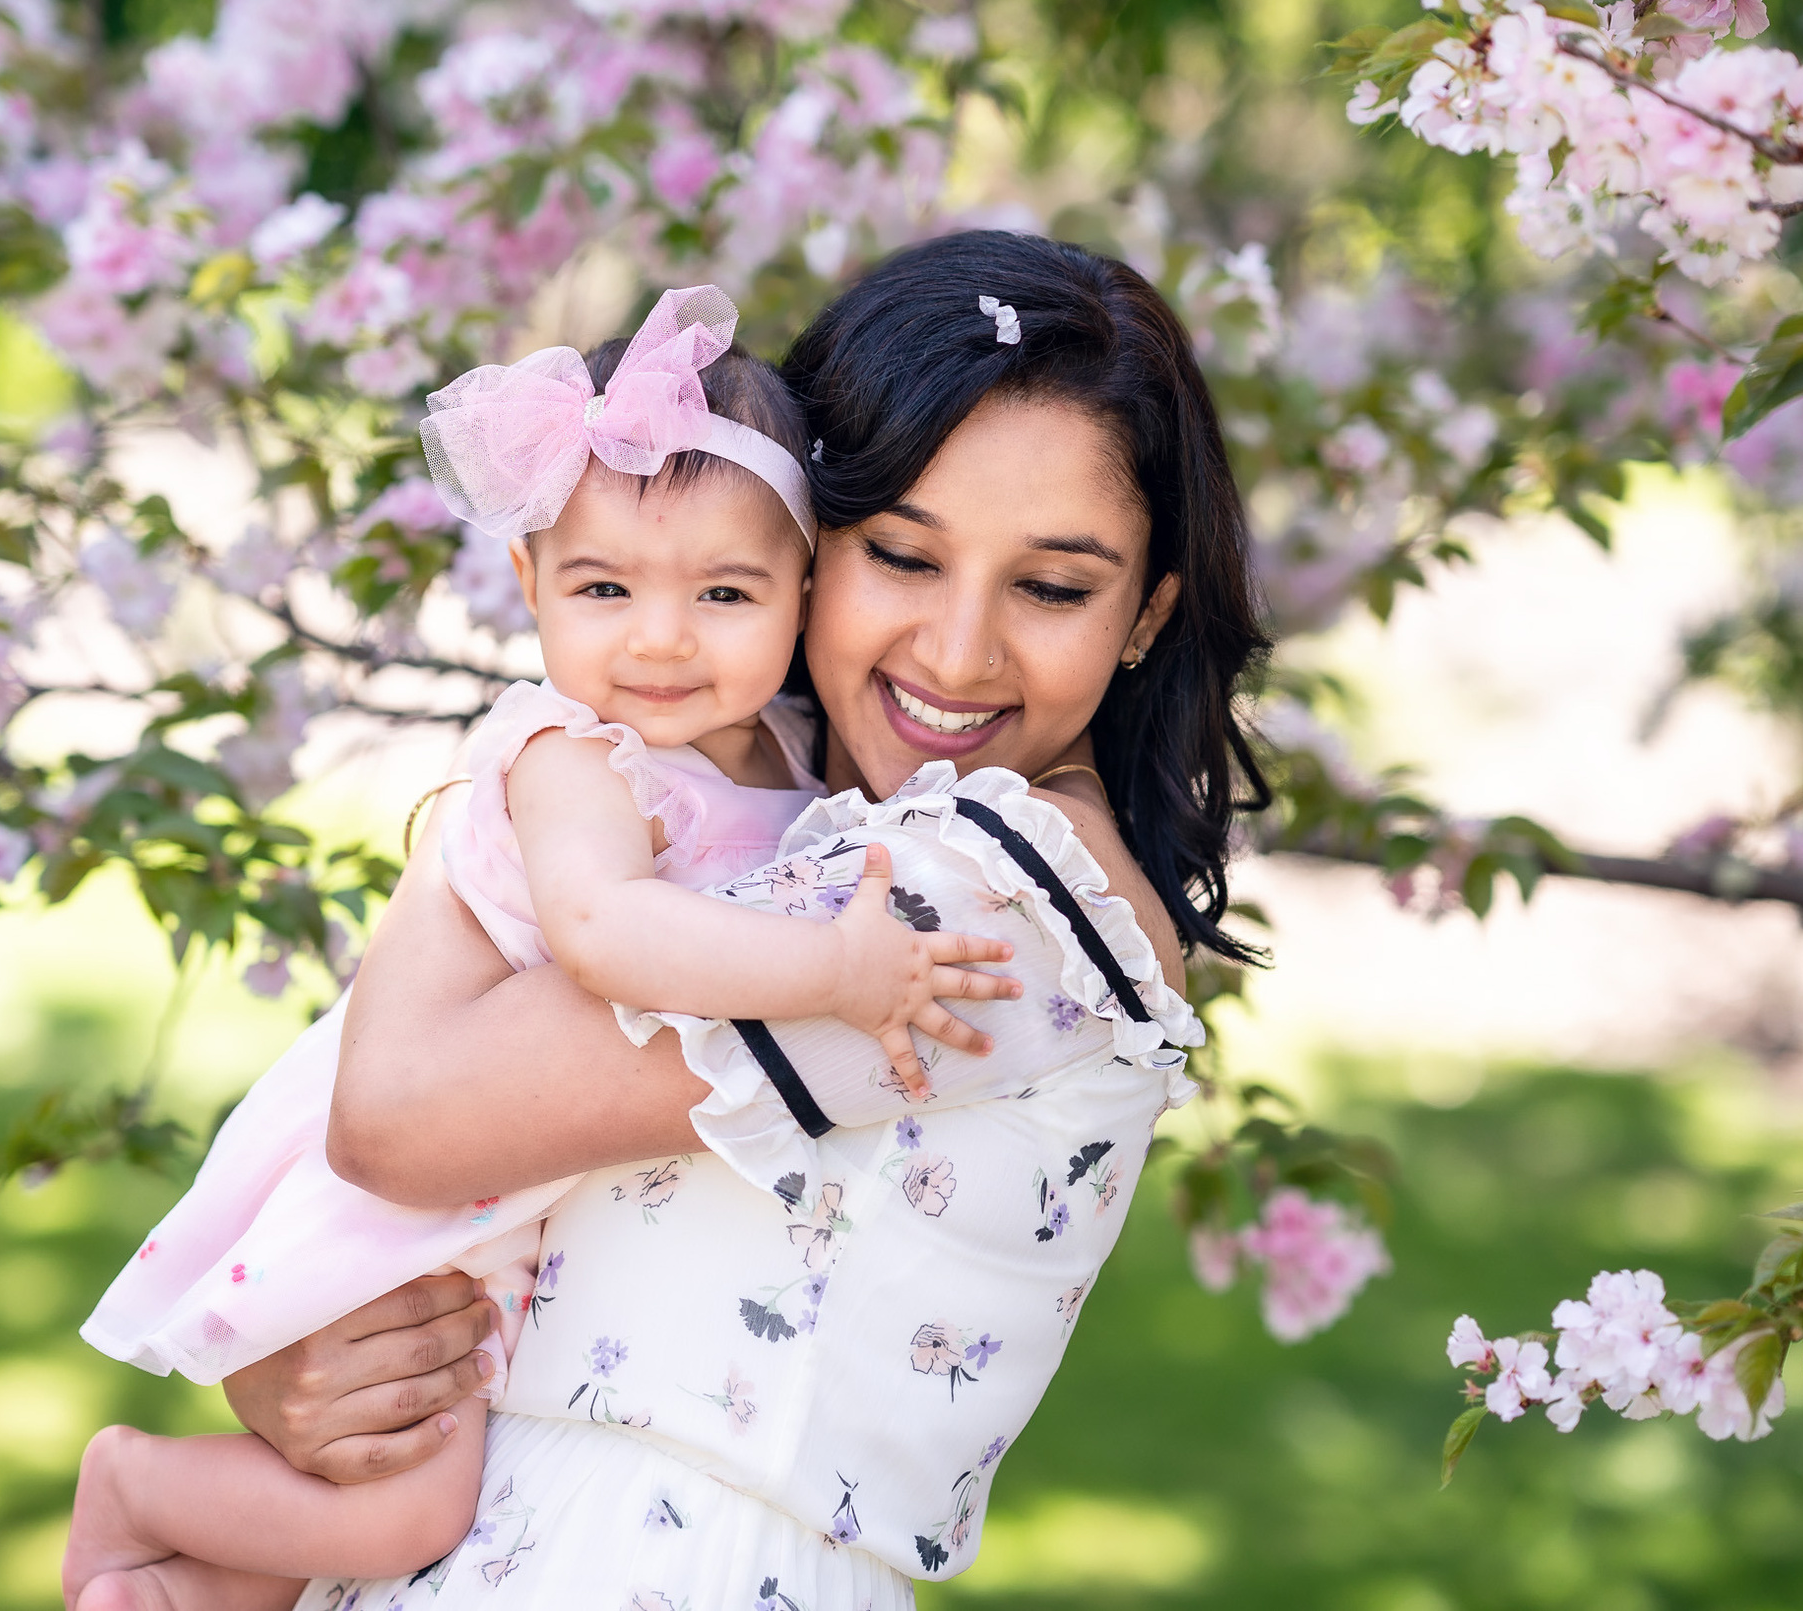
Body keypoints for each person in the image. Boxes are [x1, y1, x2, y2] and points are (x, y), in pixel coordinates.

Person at [206, 230, 1271, 1606]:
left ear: (1144, 615)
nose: (958, 651)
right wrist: (301, 1366)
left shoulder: (993, 898)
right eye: (902, 555)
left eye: (1053, 586)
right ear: (805, 548)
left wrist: (522, 770)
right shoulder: (747, 829)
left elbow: (399, 1110)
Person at [62, 286, 1020, 1611]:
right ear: (529, 585)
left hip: (520, 1193)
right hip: (429, 1193)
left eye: (726, 589)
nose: (662, 635)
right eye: (603, 586)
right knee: (413, 1494)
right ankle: (132, 1486)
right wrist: (837, 975)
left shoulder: (787, 753)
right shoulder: (580, 758)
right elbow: (603, 930)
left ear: (806, 585)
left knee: (409, 1470)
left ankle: (193, 1591)